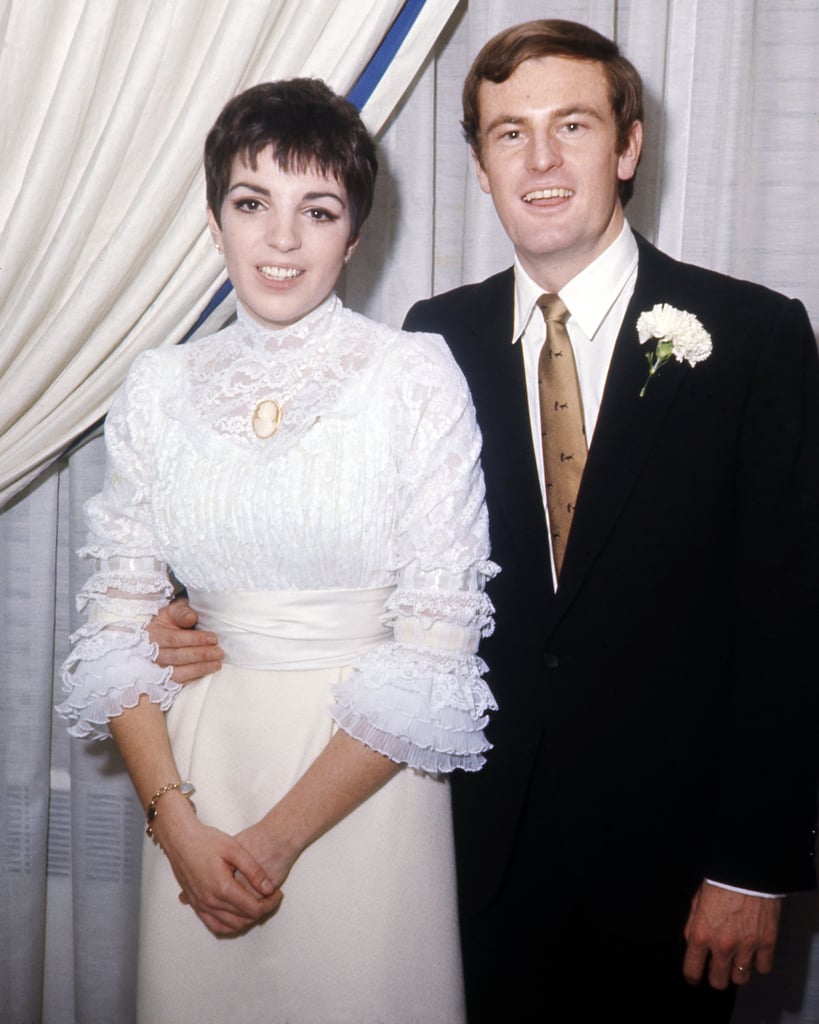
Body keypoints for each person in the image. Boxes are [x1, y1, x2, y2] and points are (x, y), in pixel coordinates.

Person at [150, 20, 819, 1024]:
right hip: (449, 849)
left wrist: (753, 865)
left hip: (673, 871)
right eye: (510, 133)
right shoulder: (431, 342)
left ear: (629, 146)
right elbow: (325, 524)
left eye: (573, 126)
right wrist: (186, 613)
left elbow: (788, 621)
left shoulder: (755, 335)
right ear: (480, 163)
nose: (540, 159)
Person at [57, 78, 498, 1024]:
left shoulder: (412, 377)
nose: (282, 240)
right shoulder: (157, 385)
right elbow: (115, 630)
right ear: (215, 221)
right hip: (196, 781)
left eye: (318, 209)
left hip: (365, 785)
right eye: (253, 203)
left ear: (354, 232)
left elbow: (438, 649)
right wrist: (176, 826)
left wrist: (274, 842)